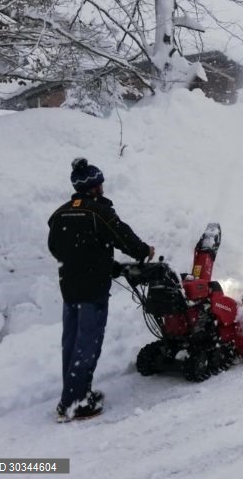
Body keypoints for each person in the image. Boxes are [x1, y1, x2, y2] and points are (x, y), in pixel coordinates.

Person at [48, 158, 155, 422]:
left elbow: (57, 248)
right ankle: (76, 402)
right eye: (100, 184)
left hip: (69, 288)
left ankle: (71, 394)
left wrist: (100, 263)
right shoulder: (98, 212)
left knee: (71, 343)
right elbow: (122, 236)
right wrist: (144, 251)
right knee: (88, 344)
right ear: (94, 186)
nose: (103, 187)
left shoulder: (59, 213)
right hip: (92, 291)